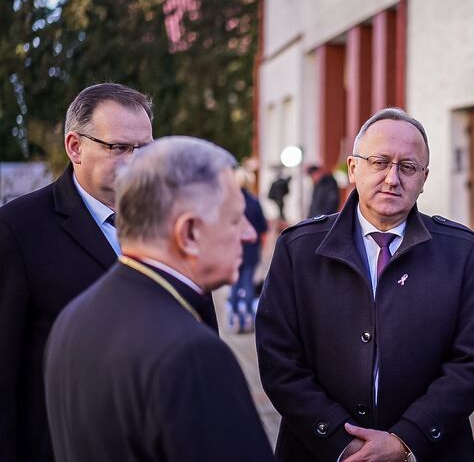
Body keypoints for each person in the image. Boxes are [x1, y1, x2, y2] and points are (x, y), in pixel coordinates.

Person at [256, 108, 474, 461]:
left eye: (408, 167)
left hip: (429, 451)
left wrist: (405, 440)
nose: (392, 178)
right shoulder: (299, 248)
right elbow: (280, 359)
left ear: (424, 177)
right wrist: (341, 441)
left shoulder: (461, 251)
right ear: (353, 168)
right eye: (380, 162)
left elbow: (470, 362)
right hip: (319, 450)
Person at [43, 136, 273, 462]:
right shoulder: (192, 354)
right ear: (189, 233)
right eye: (235, 219)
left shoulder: (73, 315)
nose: (249, 234)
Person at [0, 83, 153, 462]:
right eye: (118, 147)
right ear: (75, 147)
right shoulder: (18, 229)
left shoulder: (173, 220)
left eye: (145, 148)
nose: (136, 161)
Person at [228, 167, 269, 333]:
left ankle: (235, 318)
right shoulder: (254, 202)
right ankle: (250, 319)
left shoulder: (230, 203)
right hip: (251, 251)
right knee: (248, 284)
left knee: (235, 285)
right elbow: (263, 229)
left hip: (233, 250)